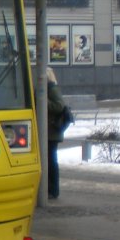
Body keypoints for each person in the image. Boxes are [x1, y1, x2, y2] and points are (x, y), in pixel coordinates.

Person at [45, 67, 70, 200]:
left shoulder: (52, 90)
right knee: (49, 160)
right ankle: (50, 189)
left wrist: (44, 101)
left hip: (52, 132)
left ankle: (53, 190)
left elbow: (59, 106)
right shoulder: (49, 89)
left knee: (51, 161)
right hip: (50, 131)